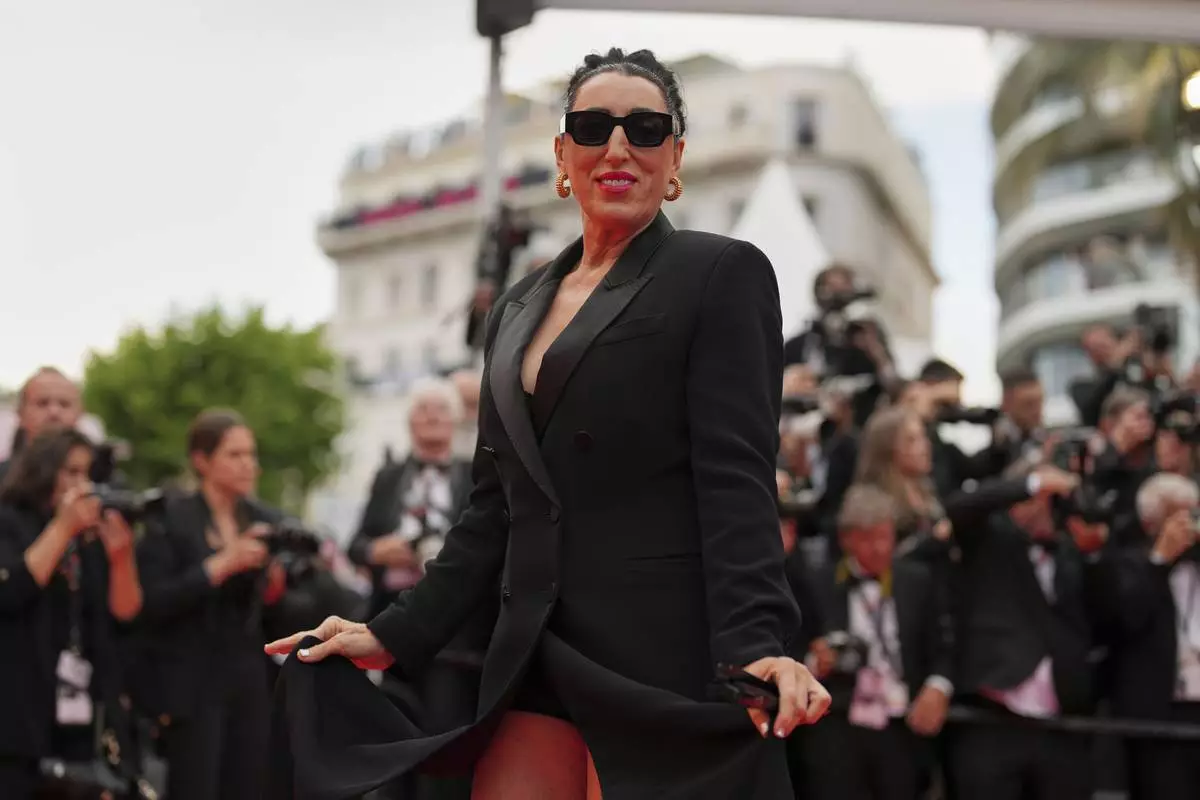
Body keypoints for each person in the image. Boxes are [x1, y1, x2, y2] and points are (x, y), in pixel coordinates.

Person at [267, 47, 830, 800]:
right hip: (536, 647)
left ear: (676, 157)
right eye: (594, 127)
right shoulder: (517, 305)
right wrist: (396, 632)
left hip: (662, 654)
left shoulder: (719, 273)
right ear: (563, 154)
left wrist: (757, 644)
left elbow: (736, 480)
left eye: (646, 127)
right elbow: (495, 506)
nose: (619, 146)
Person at [133, 409, 286, 800]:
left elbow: (277, 606)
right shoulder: (171, 517)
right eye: (234, 455)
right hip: (190, 679)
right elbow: (151, 602)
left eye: (251, 454)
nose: (248, 464)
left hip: (248, 672)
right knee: (195, 785)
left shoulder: (264, 518)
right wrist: (221, 565)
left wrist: (273, 581)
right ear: (202, 460)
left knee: (249, 784)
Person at [0, 429, 142, 798]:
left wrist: (122, 557)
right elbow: (10, 591)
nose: (83, 484)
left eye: (87, 473)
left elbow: (125, 614)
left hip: (78, 715)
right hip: (15, 713)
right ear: (44, 471)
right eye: (71, 472)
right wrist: (62, 527)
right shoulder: (11, 519)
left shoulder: (88, 535)